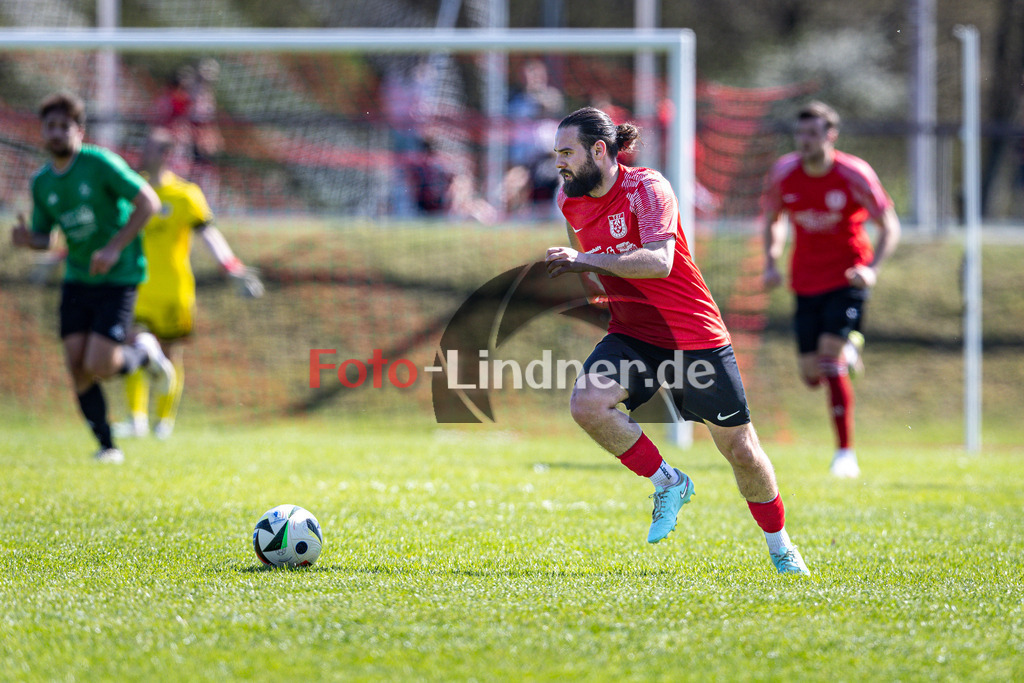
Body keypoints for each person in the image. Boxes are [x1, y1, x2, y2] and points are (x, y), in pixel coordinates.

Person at [546, 107, 809, 575]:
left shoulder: (648, 188)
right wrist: (590, 284)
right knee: (588, 403)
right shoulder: (570, 200)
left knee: (741, 451)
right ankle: (669, 482)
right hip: (633, 334)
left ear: (599, 150)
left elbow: (660, 262)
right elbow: (584, 256)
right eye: (557, 154)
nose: (559, 163)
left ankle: (781, 547)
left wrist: (585, 260)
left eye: (567, 153)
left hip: (692, 335)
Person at [10, 92, 175, 464]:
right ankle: (107, 445)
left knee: (100, 364)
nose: (56, 132)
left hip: (119, 276)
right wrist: (28, 241)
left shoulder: (99, 164)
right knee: (76, 365)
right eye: (50, 126)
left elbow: (148, 201)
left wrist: (115, 247)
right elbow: (46, 237)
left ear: (79, 131)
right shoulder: (42, 183)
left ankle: (142, 353)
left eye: (63, 126)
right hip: (78, 279)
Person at [761, 101, 900, 478]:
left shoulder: (854, 174)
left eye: (813, 133)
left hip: (847, 278)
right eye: (800, 133)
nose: (804, 140)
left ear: (830, 135)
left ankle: (845, 454)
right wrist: (771, 262)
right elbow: (773, 220)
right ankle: (851, 348)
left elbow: (889, 225)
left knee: (828, 360)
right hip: (805, 279)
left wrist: (871, 270)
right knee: (811, 377)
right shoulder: (784, 173)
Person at [113, 127, 264, 440]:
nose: (144, 153)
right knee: (133, 346)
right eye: (144, 146)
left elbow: (208, 234)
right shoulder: (130, 190)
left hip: (173, 291)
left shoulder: (185, 195)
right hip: (136, 287)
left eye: (153, 148)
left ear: (167, 155)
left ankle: (163, 422)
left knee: (169, 355)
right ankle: (136, 419)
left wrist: (230, 266)